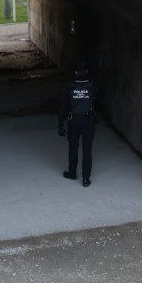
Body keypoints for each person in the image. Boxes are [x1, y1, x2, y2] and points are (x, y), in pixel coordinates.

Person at [58, 57, 97, 187]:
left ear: (75, 72)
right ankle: (86, 179)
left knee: (73, 148)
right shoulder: (93, 86)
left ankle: (72, 173)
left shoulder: (69, 87)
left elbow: (63, 107)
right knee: (87, 150)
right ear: (86, 71)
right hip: (89, 121)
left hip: (73, 121)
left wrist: (60, 124)